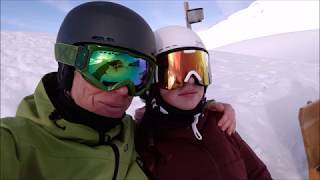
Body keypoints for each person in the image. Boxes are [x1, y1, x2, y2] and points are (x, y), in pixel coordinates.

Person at [0, 2, 236, 180]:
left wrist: (203, 110)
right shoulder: (16, 143)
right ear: (68, 68)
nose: (124, 91)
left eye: (137, 74)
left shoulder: (132, 134)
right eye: (108, 70)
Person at [135, 25, 272, 180]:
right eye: (174, 74)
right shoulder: (145, 146)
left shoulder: (219, 123)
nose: (191, 81)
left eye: (197, 70)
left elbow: (257, 172)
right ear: (150, 82)